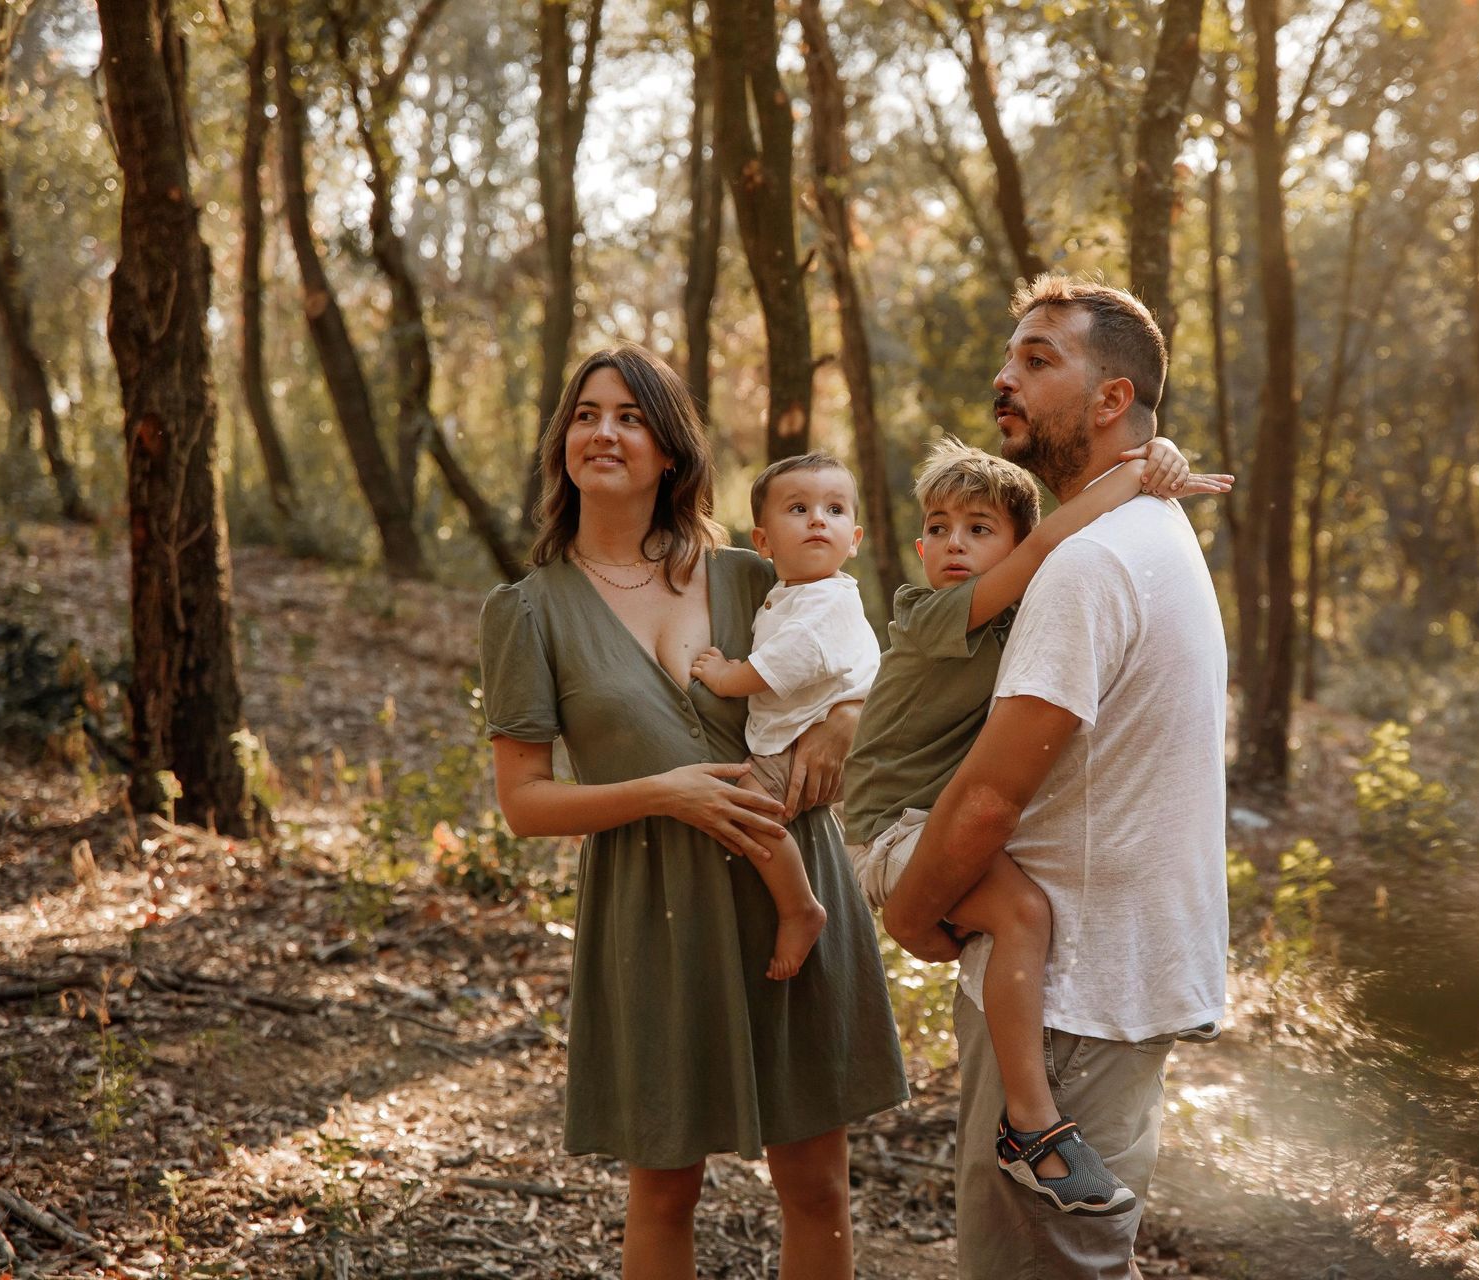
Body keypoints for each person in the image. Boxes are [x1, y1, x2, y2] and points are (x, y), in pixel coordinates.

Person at [480, 344, 906, 1279]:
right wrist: (660, 793)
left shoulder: (756, 576)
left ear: (669, 450)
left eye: (632, 417)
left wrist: (843, 722)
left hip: (796, 883)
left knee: (817, 1183)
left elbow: (864, 662)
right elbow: (524, 803)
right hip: (655, 906)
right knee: (666, 1188)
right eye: (588, 413)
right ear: (562, 444)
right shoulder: (530, 611)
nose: (605, 432)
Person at [882, 278, 1229, 1277]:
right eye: (1011, 355)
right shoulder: (1153, 539)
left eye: (1038, 360)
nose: (1006, 376)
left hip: (1070, 995)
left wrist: (911, 911)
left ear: (1112, 397)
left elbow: (990, 793)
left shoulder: (1088, 567)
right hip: (1116, 975)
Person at [688, 453, 881, 980]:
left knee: (748, 807)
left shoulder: (828, 600)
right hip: (799, 733)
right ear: (763, 543)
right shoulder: (790, 594)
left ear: (855, 538)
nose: (819, 519)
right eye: (799, 508)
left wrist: (728, 676)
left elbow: (790, 660)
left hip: (809, 741)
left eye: (835, 509)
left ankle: (800, 908)